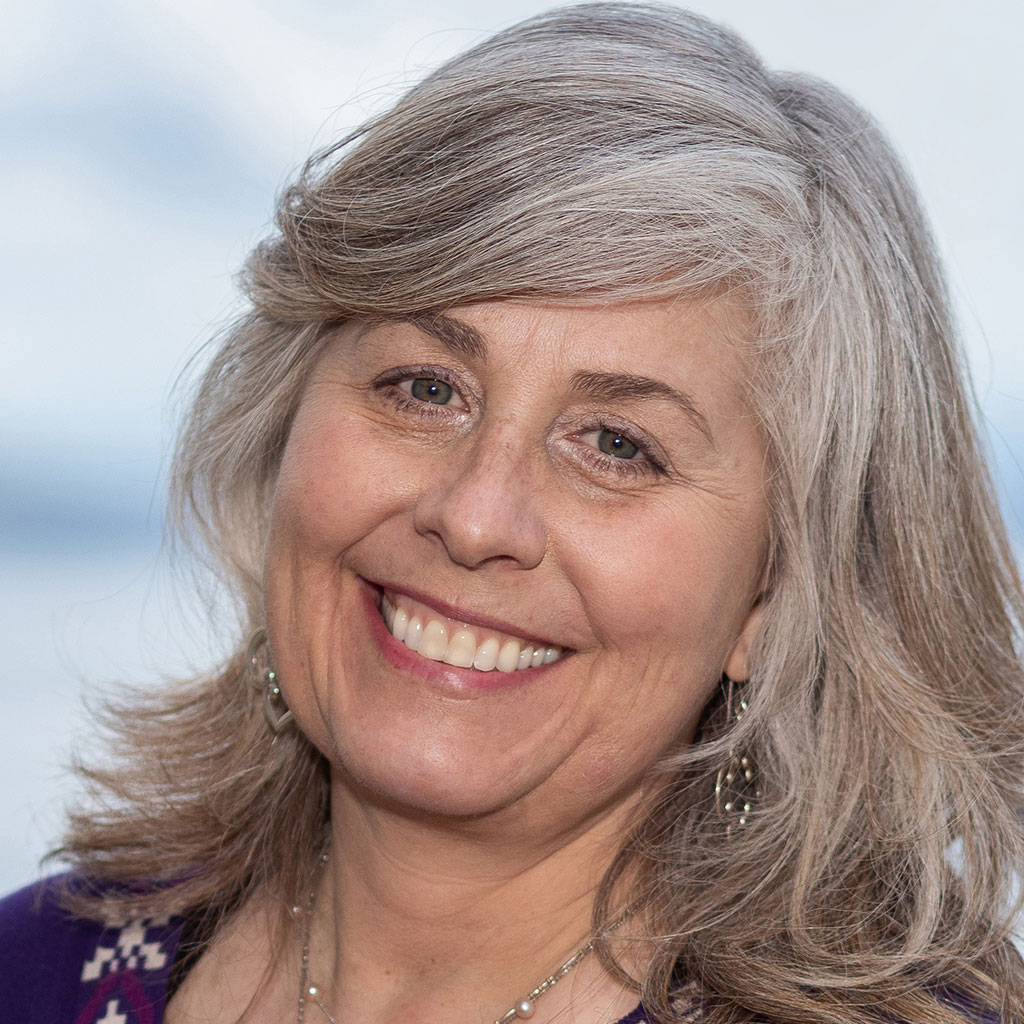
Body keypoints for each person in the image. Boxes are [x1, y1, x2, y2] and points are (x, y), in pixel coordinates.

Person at [3, 3, 1023, 1023]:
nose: (476, 515)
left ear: (776, 590)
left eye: (617, 446)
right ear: (283, 433)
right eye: (424, 388)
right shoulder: (31, 968)